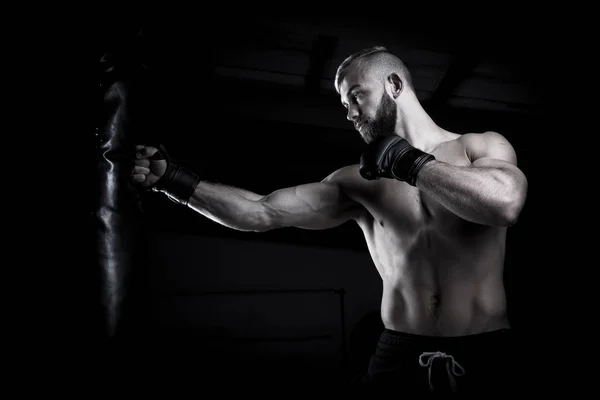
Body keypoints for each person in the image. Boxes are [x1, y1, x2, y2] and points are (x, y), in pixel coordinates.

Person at [131, 46, 528, 395]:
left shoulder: (480, 146)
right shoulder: (358, 182)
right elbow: (261, 211)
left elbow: (505, 203)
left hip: (486, 350)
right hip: (398, 353)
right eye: (344, 105)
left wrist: (407, 162)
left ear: (393, 85)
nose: (351, 113)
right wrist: (172, 180)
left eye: (357, 96)